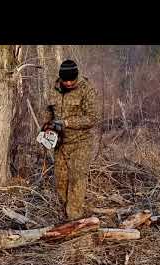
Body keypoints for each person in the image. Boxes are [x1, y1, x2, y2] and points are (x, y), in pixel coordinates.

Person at [42, 59, 100, 221]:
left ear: (76, 76)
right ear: (60, 77)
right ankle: (65, 215)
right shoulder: (53, 88)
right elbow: (48, 110)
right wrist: (46, 126)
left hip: (81, 143)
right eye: (65, 79)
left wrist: (67, 123)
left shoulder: (86, 89)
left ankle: (74, 218)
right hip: (60, 144)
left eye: (71, 80)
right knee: (61, 181)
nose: (68, 83)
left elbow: (92, 118)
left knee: (76, 179)